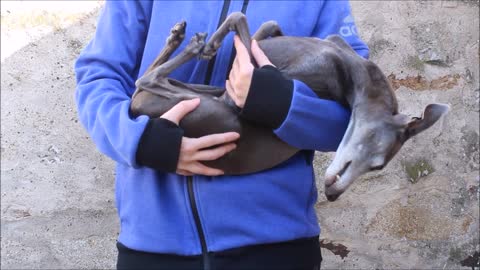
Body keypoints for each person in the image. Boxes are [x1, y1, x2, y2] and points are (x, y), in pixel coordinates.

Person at [75, 1, 369, 269]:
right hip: (151, 247)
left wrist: (281, 102)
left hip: (274, 249)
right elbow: (99, 77)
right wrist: (142, 143)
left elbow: (359, 113)